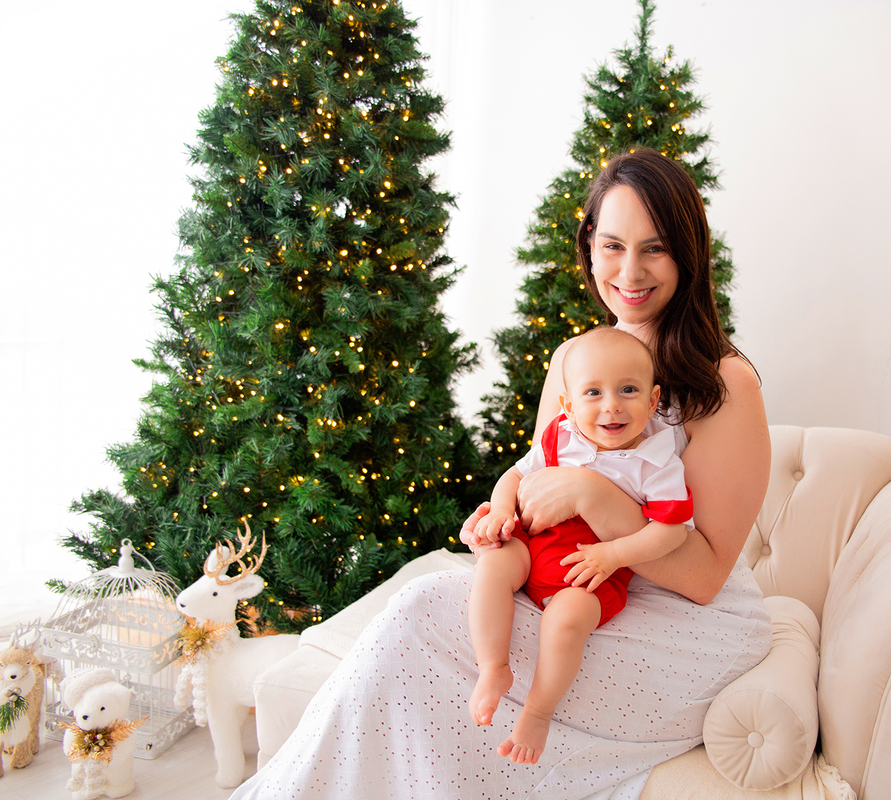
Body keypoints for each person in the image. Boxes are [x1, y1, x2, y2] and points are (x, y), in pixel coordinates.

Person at [230, 148, 773, 799]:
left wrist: (596, 496)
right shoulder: (574, 358)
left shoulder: (724, 382)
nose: (630, 271)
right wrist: (503, 513)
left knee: (425, 611)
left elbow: (707, 574)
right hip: (571, 575)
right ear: (588, 248)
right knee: (426, 610)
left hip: (682, 626)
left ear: (688, 252)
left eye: (654, 249)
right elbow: (538, 468)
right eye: (612, 246)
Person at [468, 326, 694, 765]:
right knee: (493, 565)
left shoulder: (657, 462)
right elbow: (514, 476)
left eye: (628, 390)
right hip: (534, 547)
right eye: (593, 392)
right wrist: (499, 511)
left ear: (652, 401)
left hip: (590, 573)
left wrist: (613, 555)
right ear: (569, 406)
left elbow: (672, 531)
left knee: (568, 619)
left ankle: (537, 712)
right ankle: (492, 666)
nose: (611, 405)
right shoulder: (561, 436)